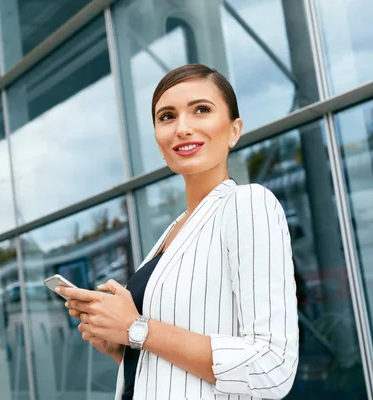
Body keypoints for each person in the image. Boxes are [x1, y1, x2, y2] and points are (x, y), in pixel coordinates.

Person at [58, 64, 299, 399]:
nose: (182, 128)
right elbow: (176, 369)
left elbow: (271, 367)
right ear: (159, 141)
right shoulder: (174, 231)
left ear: (234, 130)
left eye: (201, 110)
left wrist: (136, 328)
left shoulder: (248, 204)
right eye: (167, 116)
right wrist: (120, 345)